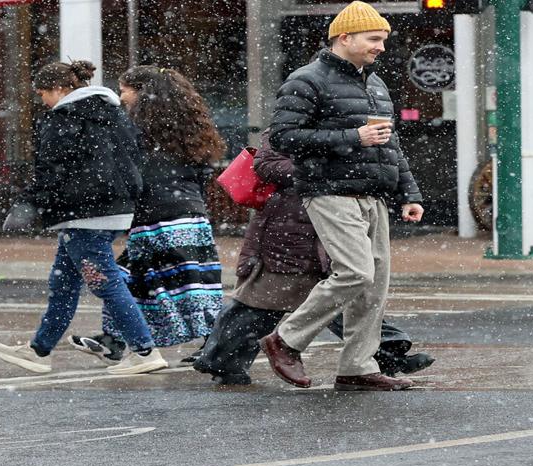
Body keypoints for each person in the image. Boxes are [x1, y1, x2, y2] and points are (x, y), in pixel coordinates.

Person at [257, 1, 426, 391]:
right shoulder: (307, 80)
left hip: (373, 195)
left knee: (373, 286)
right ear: (344, 38)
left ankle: (357, 369)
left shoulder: (375, 83)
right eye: (374, 39)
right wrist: (353, 137)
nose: (381, 47)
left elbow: (389, 144)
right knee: (356, 272)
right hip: (329, 191)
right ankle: (285, 340)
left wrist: (409, 193)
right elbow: (283, 138)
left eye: (383, 39)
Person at [192, 137, 433, 385]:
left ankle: (387, 353)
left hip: (330, 223)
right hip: (289, 228)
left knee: (344, 294)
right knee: (261, 302)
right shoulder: (296, 125)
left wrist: (401, 191)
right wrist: (323, 171)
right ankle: (221, 361)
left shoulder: (359, 125)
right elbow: (266, 164)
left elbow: (387, 158)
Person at [0, 60, 167, 376]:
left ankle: (144, 351)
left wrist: (27, 204)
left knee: (104, 282)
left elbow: (51, 170)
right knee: (64, 282)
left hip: (83, 215)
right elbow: (135, 158)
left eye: (43, 93)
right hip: (114, 210)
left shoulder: (62, 119)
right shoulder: (114, 113)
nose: (42, 100)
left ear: (59, 89)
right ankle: (39, 350)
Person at [72, 66, 224, 365]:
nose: (121, 96)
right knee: (182, 280)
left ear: (142, 92)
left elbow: (129, 171)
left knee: (146, 280)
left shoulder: (136, 129)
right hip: (187, 213)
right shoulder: (186, 128)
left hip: (157, 216)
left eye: (124, 90)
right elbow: (202, 171)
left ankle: (213, 344)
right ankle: (117, 339)